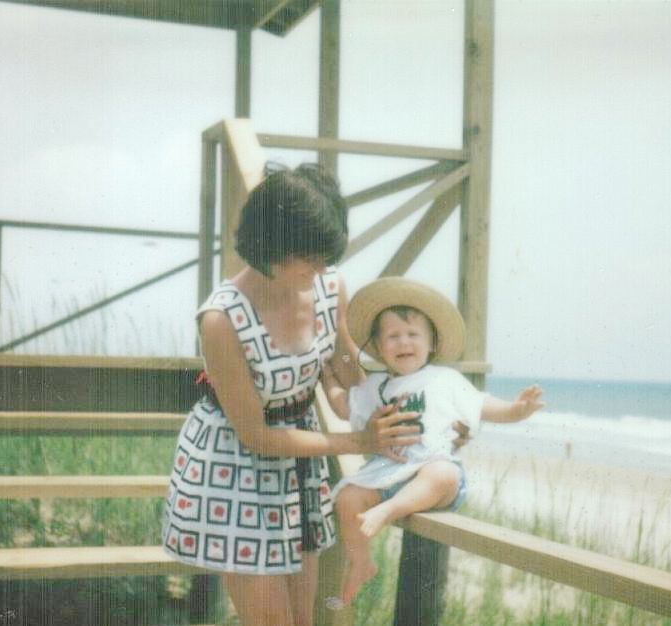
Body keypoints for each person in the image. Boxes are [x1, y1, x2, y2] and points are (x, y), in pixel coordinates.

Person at [161, 164, 424, 626]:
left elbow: (343, 372)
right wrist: (359, 442)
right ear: (272, 245)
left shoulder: (328, 285)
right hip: (235, 466)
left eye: (326, 257)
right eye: (311, 257)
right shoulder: (221, 319)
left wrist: (402, 408)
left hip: (299, 463)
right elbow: (256, 435)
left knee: (303, 619)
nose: (321, 268)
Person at [321, 277, 545, 607]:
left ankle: (388, 511)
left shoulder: (445, 379)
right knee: (347, 498)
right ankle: (360, 561)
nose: (403, 342)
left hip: (432, 475)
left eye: (413, 335)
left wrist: (517, 410)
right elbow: (343, 406)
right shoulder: (376, 387)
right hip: (388, 475)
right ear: (379, 348)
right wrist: (327, 378)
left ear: (432, 344)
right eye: (393, 336)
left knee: (443, 472)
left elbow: (484, 406)